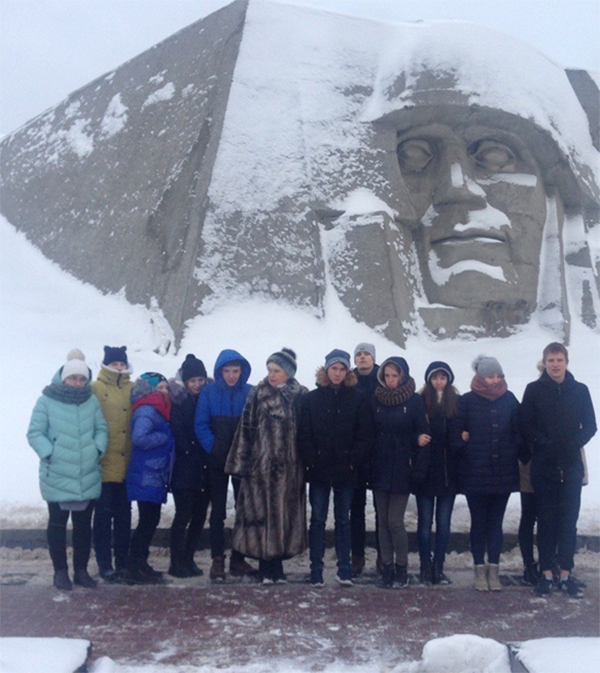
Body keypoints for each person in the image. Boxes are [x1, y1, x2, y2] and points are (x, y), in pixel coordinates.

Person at [520, 343, 597, 598]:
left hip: (571, 467)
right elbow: (525, 424)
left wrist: (575, 442)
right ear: (544, 362)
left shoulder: (580, 390)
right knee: (546, 522)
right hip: (544, 467)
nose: (555, 365)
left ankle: (565, 574)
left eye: (559, 360)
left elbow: (591, 425)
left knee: (568, 523)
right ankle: (546, 574)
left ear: (566, 362)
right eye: (551, 360)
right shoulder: (534, 390)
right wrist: (541, 442)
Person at [27, 349, 107, 591]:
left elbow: (101, 429)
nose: (78, 383)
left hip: (86, 472)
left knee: (83, 526)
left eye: (82, 379)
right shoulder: (46, 400)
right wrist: (50, 453)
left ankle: (81, 571)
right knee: (58, 525)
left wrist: (96, 450)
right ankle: (60, 572)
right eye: (73, 378)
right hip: (58, 473)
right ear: (64, 378)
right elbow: (35, 432)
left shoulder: (91, 400)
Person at [226, 348, 307, 584]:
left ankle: (277, 566)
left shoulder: (300, 396)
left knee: (284, 517)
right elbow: (246, 429)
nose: (271, 375)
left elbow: (306, 432)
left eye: (277, 371)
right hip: (260, 469)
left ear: (288, 374)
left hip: (290, 469)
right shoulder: (257, 394)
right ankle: (265, 567)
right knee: (261, 516)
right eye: (270, 370)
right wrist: (240, 463)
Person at [298, 349, 374, 587]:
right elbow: (304, 434)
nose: (338, 373)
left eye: (342, 369)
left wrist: (353, 460)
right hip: (319, 469)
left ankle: (345, 569)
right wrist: (312, 459)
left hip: (346, 470)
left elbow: (365, 435)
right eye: (334, 368)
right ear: (326, 370)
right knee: (318, 519)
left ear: (347, 371)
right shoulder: (311, 399)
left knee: (343, 520)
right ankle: (316, 569)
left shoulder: (357, 398)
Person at [455, 356, 522, 592]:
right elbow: (456, 434)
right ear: (480, 377)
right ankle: (478, 569)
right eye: (490, 376)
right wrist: (464, 441)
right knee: (478, 523)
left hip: (503, 473)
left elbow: (519, 431)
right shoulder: (467, 401)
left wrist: (513, 448)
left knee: (496, 523)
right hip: (475, 473)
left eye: (498, 376)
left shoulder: (510, 399)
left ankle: (494, 569)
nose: (495, 381)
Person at [194, 349, 256, 581]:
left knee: (243, 510)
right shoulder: (209, 392)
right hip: (217, 461)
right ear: (220, 372)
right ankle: (217, 559)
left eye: (235, 371)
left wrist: (247, 450)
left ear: (242, 372)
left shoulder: (250, 393)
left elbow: (256, 425)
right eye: (227, 371)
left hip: (242, 461)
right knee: (218, 511)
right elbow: (200, 424)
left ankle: (239, 558)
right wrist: (214, 448)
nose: (231, 376)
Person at [371, 356, 429, 588]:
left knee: (395, 521)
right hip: (380, 468)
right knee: (382, 522)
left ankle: (401, 567)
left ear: (402, 376)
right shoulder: (376, 399)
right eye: (387, 376)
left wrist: (417, 463)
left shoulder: (414, 401)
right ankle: (387, 567)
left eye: (395, 376)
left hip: (403, 469)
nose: (390, 380)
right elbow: (370, 432)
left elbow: (423, 436)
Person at [124, 372, 174, 584]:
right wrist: (163, 437)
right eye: (160, 388)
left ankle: (140, 563)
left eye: (166, 387)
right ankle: (133, 567)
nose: (165, 391)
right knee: (147, 521)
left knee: (151, 520)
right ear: (150, 390)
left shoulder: (157, 408)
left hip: (153, 473)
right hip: (147, 473)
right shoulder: (147, 409)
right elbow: (139, 438)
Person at [91, 345, 134, 583]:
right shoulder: (96, 388)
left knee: (124, 517)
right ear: (106, 364)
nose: (118, 367)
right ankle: (104, 564)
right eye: (114, 363)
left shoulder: (131, 387)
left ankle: (123, 562)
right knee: (103, 517)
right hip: (104, 463)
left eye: (121, 363)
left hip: (126, 463)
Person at [415, 361, 460, 585]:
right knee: (425, 523)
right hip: (425, 472)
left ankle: (438, 566)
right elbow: (411, 427)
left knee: (443, 523)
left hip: (448, 473)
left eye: (443, 377)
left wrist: (462, 437)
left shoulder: (456, 402)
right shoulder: (420, 401)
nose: (439, 382)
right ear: (429, 380)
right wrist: (416, 438)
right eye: (435, 377)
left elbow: (460, 430)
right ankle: (425, 565)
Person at [168, 354, 210, 578]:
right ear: (185, 381)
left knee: (199, 516)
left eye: (200, 380)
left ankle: (188, 558)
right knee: (183, 515)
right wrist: (189, 448)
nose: (197, 384)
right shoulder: (179, 401)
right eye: (193, 380)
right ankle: (176, 562)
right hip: (184, 468)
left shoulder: (207, 398)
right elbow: (178, 431)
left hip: (203, 468)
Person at [350, 342, 380, 576]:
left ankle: (383, 555)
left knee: (382, 510)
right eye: (359, 354)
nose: (362, 357)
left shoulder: (384, 378)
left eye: (366, 354)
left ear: (373, 358)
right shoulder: (348, 380)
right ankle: (357, 556)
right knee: (356, 508)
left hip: (381, 454)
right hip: (356, 453)